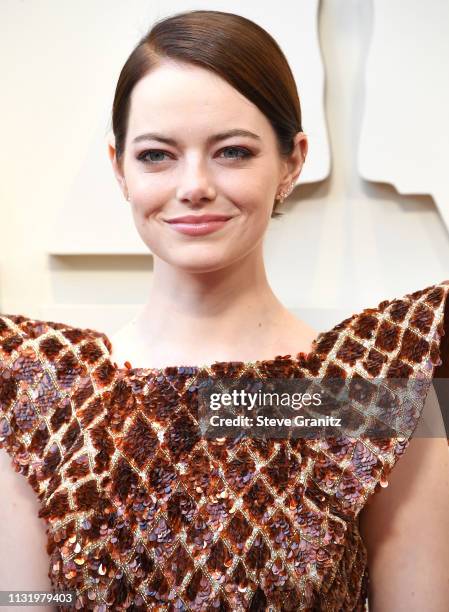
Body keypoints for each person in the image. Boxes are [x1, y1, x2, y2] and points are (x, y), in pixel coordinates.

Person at [1, 9, 448, 612]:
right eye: (157, 155)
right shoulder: (45, 386)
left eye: (233, 152)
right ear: (119, 168)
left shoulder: (370, 388)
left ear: (291, 162)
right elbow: (19, 600)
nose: (194, 185)